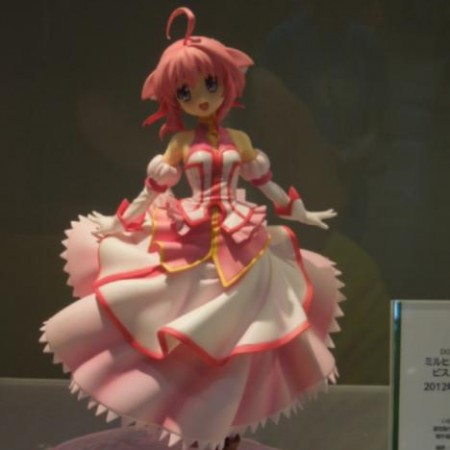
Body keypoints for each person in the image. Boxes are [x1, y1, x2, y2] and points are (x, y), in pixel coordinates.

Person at [40, 7, 344, 450]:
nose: (200, 97)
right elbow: (152, 188)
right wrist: (120, 221)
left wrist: (297, 210)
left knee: (244, 332)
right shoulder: (180, 143)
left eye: (210, 84)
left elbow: (265, 183)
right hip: (190, 238)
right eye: (185, 90)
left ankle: (228, 424)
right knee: (176, 326)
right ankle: (185, 421)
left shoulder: (241, 141)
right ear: (173, 97)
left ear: (227, 83)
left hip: (241, 239)